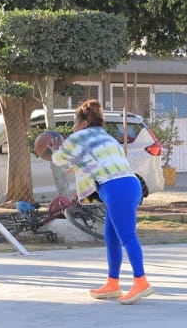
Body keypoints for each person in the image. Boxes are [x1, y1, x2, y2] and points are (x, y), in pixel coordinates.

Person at [45, 99, 152, 303]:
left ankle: (141, 281)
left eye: (74, 123)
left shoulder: (79, 137)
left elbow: (58, 160)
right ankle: (113, 283)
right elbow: (94, 164)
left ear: (84, 123)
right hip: (129, 184)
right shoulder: (107, 138)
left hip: (117, 188)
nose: (73, 128)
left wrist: (55, 148)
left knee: (127, 236)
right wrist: (76, 167)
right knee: (111, 236)